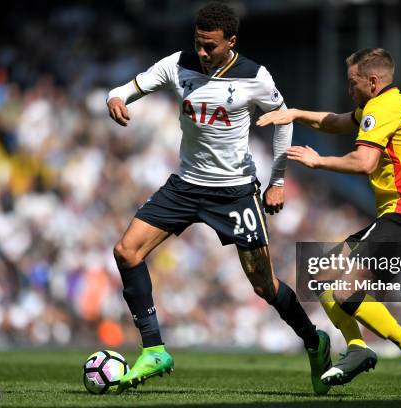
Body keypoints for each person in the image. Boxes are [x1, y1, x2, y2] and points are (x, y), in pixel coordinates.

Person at [106, 2, 331, 395]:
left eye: (211, 46)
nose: (204, 52)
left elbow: (283, 123)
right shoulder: (178, 64)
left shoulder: (255, 76)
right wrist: (117, 98)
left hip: (235, 192)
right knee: (127, 251)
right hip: (186, 185)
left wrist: (277, 180)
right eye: (199, 43)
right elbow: (128, 87)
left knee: (264, 286)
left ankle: (314, 341)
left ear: (231, 41)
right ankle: (154, 348)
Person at [257, 47, 401, 398]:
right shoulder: (385, 102)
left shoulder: (382, 108)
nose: (348, 90)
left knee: (342, 288)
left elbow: (364, 162)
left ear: (372, 82)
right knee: (321, 277)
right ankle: (357, 347)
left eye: (352, 83)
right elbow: (337, 121)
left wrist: (318, 161)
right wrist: (293, 113)